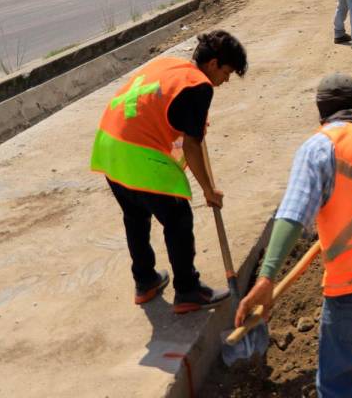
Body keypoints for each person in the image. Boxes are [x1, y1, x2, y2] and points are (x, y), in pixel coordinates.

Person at [235, 73, 352, 398]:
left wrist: (266, 278)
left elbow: (294, 214)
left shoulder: (320, 147)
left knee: (338, 380)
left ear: (321, 112)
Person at [90, 30, 248, 313]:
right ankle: (187, 290)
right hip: (140, 155)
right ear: (213, 64)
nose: (225, 80)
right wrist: (208, 190)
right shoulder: (199, 85)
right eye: (227, 72)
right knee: (177, 218)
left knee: (135, 215)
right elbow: (191, 144)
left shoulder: (168, 66)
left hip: (108, 148)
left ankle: (145, 280)